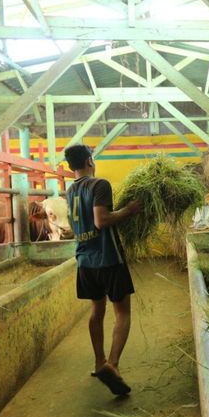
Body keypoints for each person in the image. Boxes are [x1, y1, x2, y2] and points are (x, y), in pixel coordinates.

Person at [63, 144, 142, 396]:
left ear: (69, 165)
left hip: (84, 259)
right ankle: (113, 365)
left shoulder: (70, 190)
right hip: (108, 257)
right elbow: (102, 220)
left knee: (97, 310)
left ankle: (99, 362)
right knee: (122, 312)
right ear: (89, 160)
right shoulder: (99, 184)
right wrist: (129, 210)